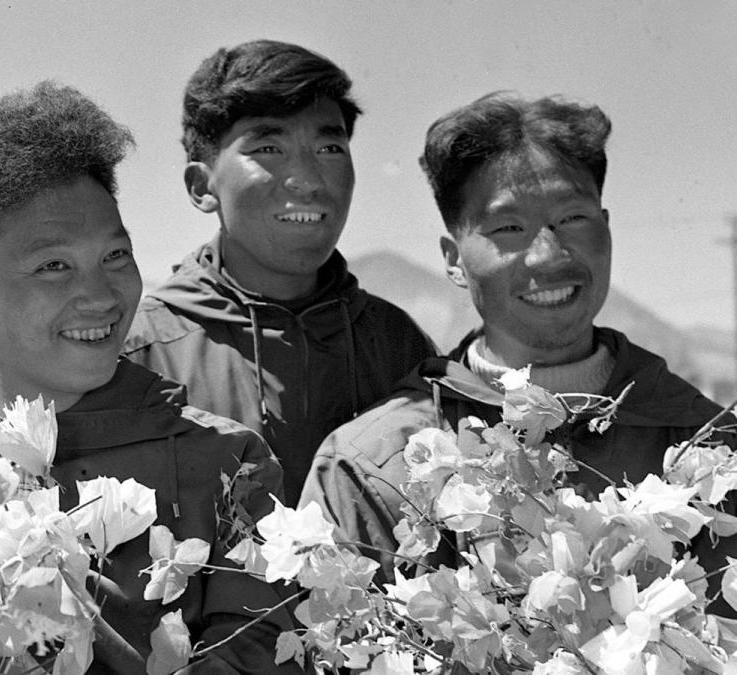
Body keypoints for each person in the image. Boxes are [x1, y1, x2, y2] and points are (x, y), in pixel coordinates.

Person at [0, 82, 301, 674]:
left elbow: (260, 657)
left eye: (115, 256)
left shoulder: (226, 461)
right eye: (53, 266)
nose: (99, 295)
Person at [299, 92, 735, 594]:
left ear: (607, 229)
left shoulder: (707, 447)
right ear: (453, 260)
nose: (548, 256)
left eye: (572, 219)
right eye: (510, 228)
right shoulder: (376, 465)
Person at [123, 40, 436, 506]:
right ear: (201, 186)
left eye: (330, 147)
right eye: (269, 147)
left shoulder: (396, 344)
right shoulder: (139, 354)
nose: (309, 180)